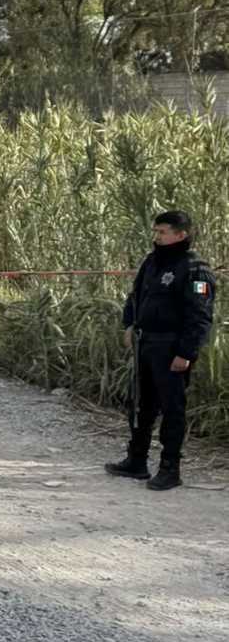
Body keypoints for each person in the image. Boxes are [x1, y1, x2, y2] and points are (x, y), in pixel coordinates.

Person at [106, 210, 217, 491]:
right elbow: (135, 296)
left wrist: (186, 353)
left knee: (172, 409)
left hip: (172, 348)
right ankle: (137, 460)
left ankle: (170, 468)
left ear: (182, 234)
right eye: (155, 232)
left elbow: (200, 317)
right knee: (141, 405)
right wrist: (129, 325)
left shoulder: (195, 270)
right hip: (146, 343)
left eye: (162, 232)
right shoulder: (152, 263)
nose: (157, 237)